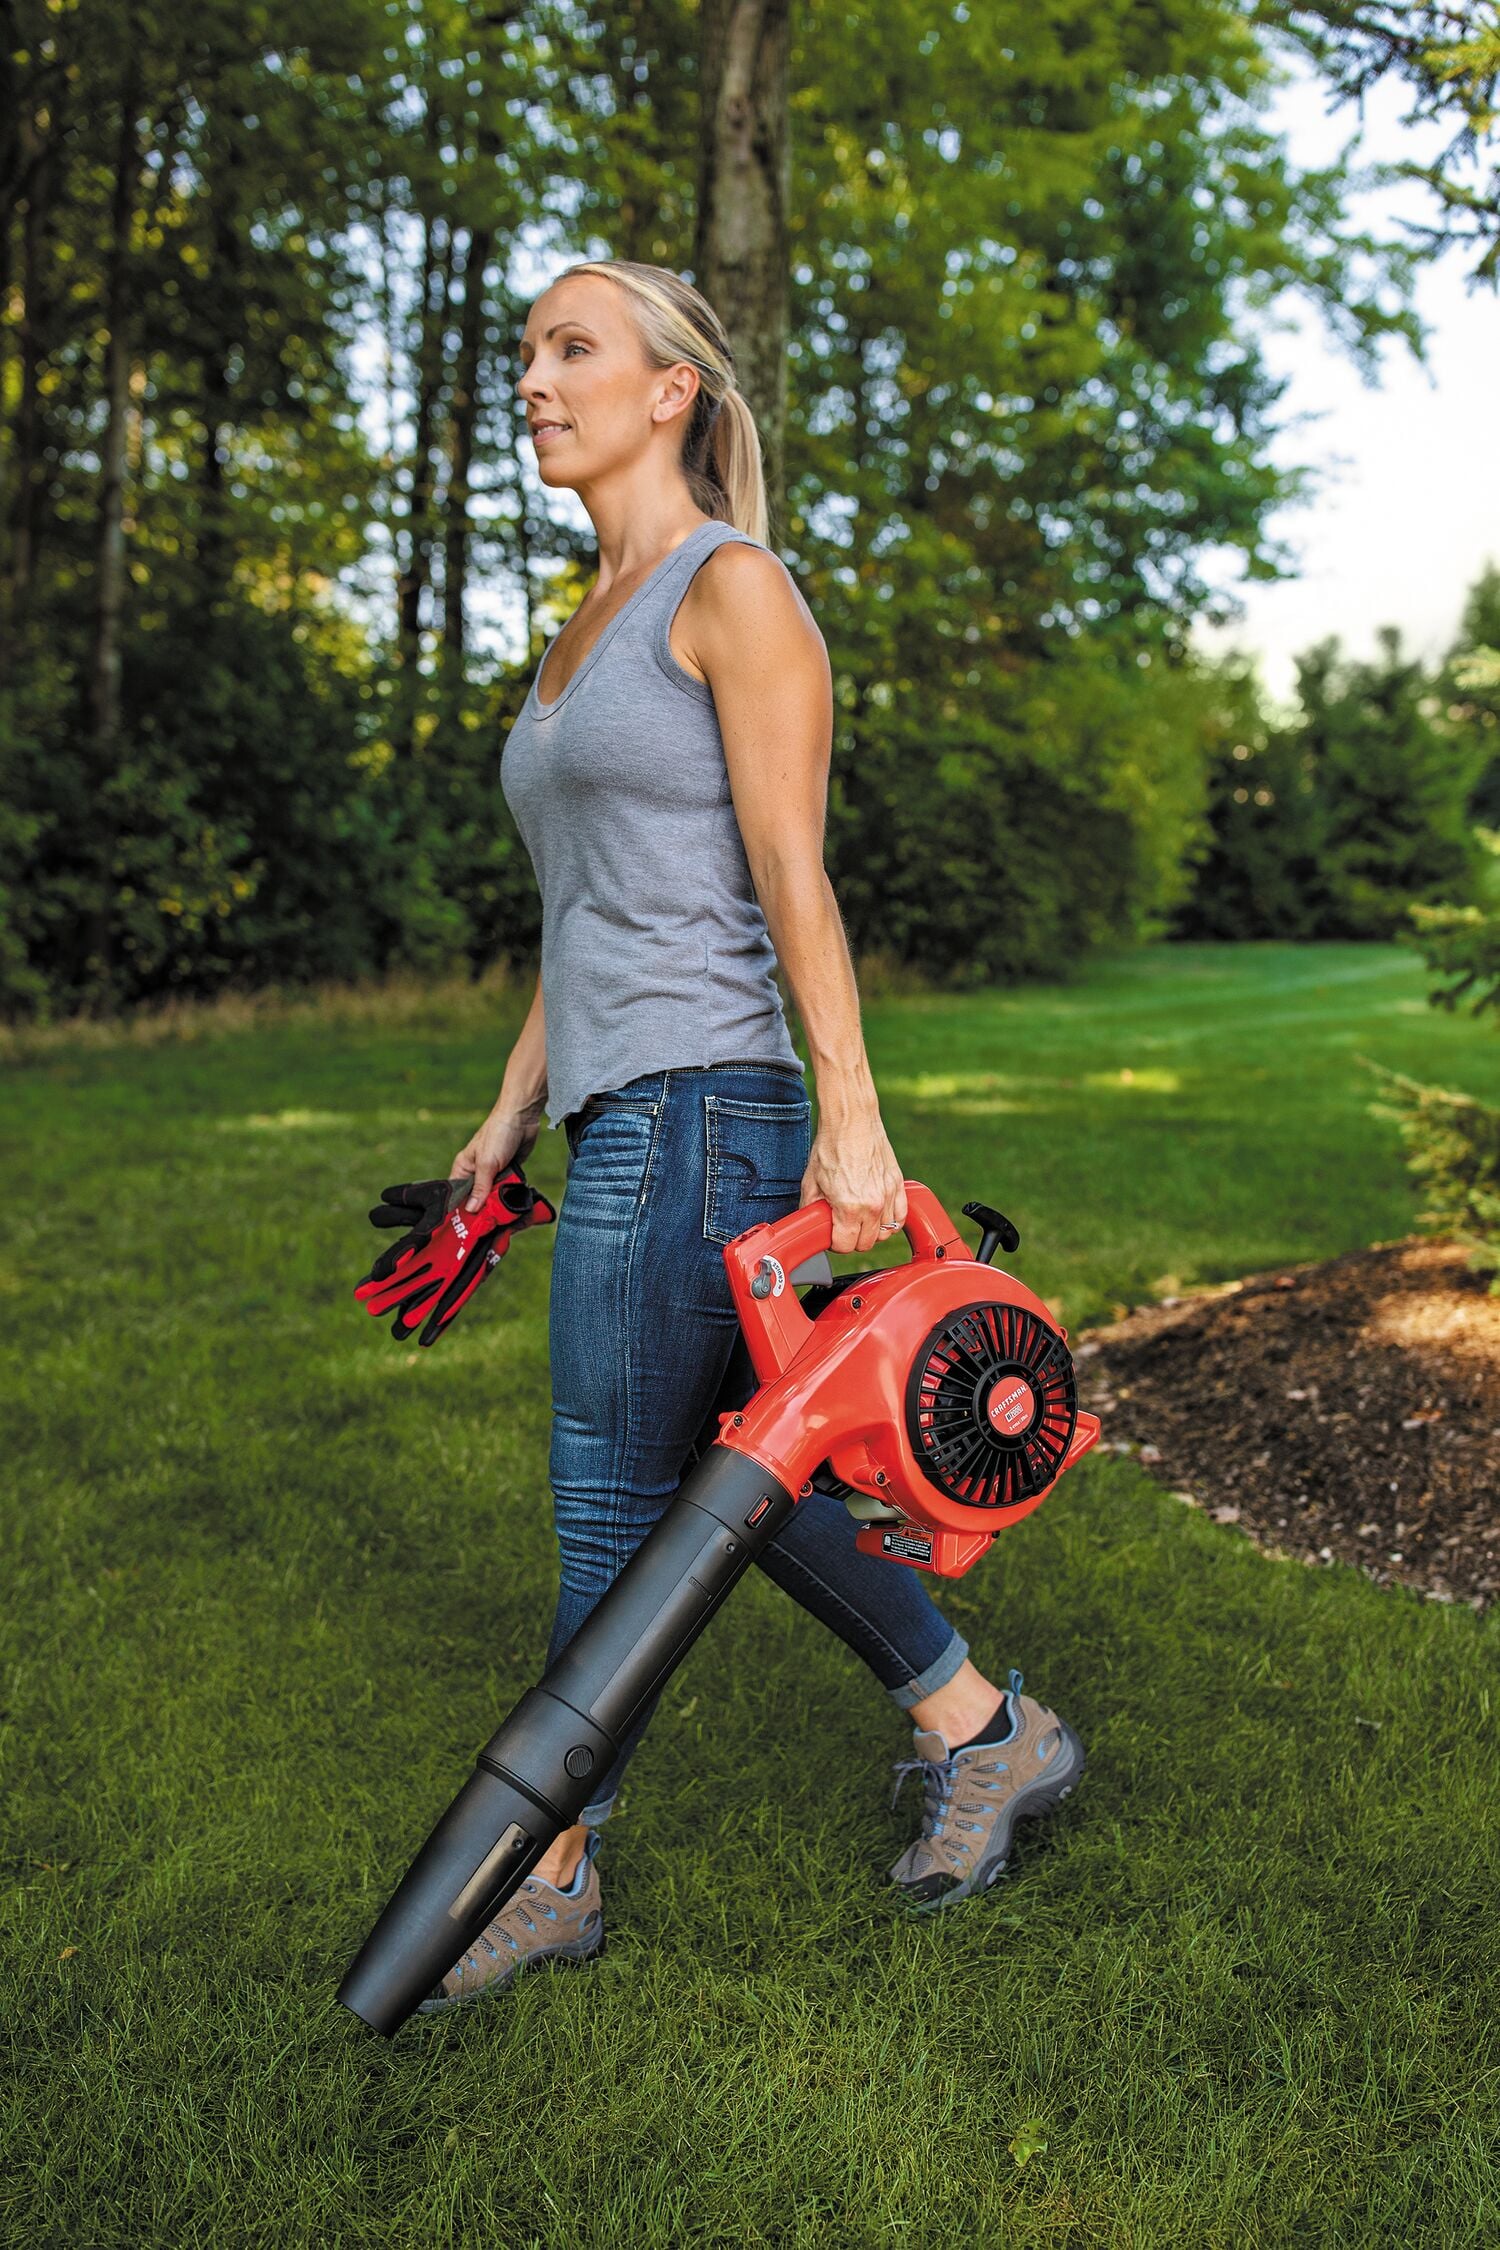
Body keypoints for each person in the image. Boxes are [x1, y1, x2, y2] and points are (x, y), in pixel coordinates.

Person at [427, 259, 1082, 2010]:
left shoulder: (733, 593)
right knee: (731, 1476)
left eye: (573, 350)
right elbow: (593, 911)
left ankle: (550, 1864)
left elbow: (792, 876)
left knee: (611, 1504)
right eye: (527, 355)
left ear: (672, 392)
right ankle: (982, 1727)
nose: (537, 381)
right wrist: (505, 1114)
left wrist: (852, 1123)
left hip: (710, 1106)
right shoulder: (588, 615)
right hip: (617, 1104)